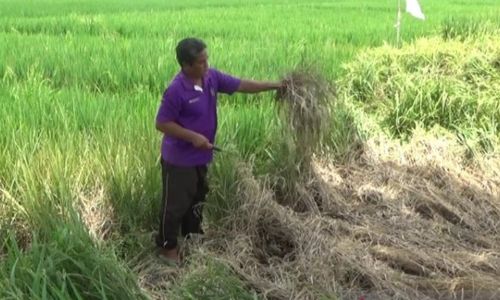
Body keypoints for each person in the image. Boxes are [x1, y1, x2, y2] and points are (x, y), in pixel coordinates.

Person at [155, 37, 283, 264]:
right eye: (201, 62)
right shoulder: (176, 90)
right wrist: (193, 136)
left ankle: (193, 239)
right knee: (174, 207)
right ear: (186, 65)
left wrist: (276, 85)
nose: (206, 65)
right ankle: (168, 249)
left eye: (207, 60)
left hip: (201, 157)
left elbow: (242, 85)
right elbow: (162, 123)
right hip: (179, 161)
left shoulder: (211, 78)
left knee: (197, 200)